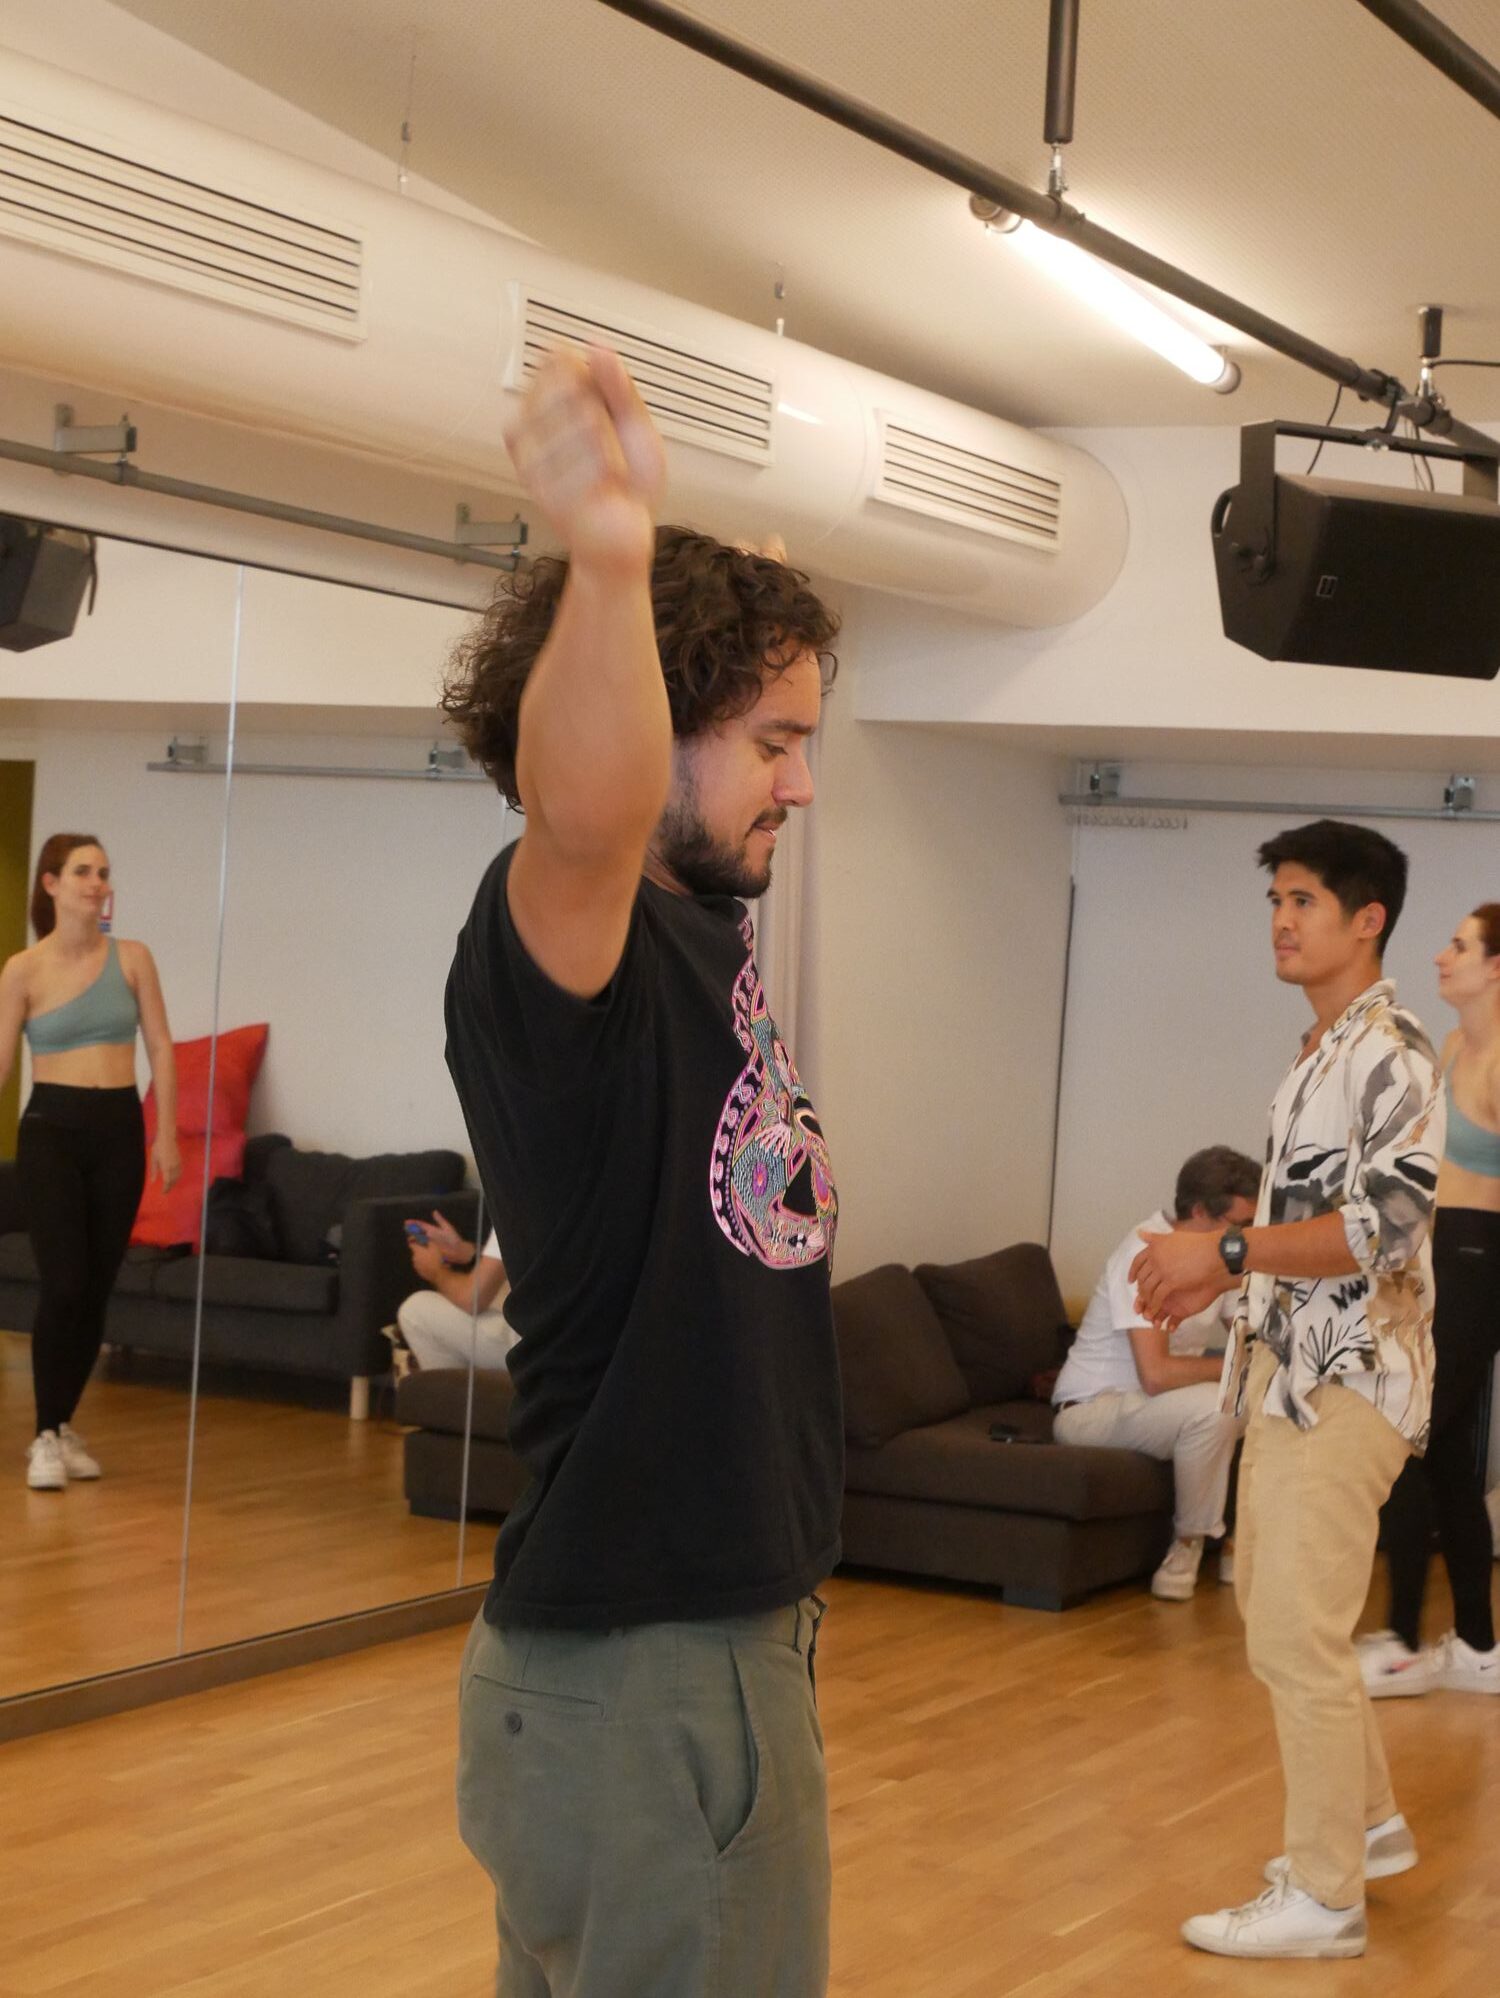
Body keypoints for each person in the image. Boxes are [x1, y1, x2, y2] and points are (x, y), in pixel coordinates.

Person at [441, 348, 843, 1997]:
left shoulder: (699, 946)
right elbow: (583, 815)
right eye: (769, 738)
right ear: (652, 728)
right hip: (652, 1673)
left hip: (674, 1666)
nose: (801, 781)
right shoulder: (567, 939)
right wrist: (609, 562)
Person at [1131, 819, 1442, 1962]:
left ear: (1367, 919)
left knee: (1298, 1640)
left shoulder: (1392, 1054)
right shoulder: (1320, 1053)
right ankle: (1369, 1826)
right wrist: (1223, 1291)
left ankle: (1326, 1897)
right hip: (1290, 1384)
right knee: (1278, 1615)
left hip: (1350, 1386)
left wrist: (1220, 1257)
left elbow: (1381, 1227)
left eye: (1305, 899)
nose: (1282, 918)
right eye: (1277, 899)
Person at [0, 834, 179, 1490]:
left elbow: (160, 1046)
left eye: (103, 872)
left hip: (119, 1132)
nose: (96, 882)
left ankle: (64, 1424)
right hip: (51, 1133)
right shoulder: (23, 968)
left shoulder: (132, 958)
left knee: (98, 1286)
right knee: (65, 1283)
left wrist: (166, 1137)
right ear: (50, 883)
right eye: (82, 871)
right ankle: (45, 1435)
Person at [1359, 903, 1500, 1699]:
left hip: (1483, 1262)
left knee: (1404, 1439)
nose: (1442, 957)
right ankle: (1479, 1646)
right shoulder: (1451, 1046)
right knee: (1445, 1459)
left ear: (1496, 967)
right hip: (1439, 1258)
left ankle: (1403, 1642)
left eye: (1460, 946)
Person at [1054, 1145, 1260, 1600]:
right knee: (1218, 1406)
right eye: (1242, 1227)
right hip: (1093, 1410)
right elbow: (1157, 1375)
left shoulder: (1220, 1259)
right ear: (1201, 1211)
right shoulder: (1145, 1252)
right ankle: (1186, 1545)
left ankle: (1234, 1540)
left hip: (1151, 1409)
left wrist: (1267, 1361)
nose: (1249, 1238)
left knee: (1270, 1392)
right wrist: (1238, 1369)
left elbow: (1249, 1335)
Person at [390, 1209, 512, 1374]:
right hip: (546, 1327)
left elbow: (471, 1300)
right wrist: (468, 1253)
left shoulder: (518, 1204)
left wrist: (436, 1272)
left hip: (539, 1342)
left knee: (415, 1311)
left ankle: (452, 1397)